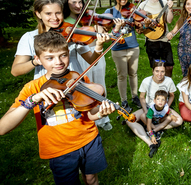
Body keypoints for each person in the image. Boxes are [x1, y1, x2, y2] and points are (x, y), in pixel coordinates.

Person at [0, 31, 116, 185]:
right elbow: (2, 128)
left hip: (89, 140)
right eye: (49, 58)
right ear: (38, 59)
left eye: (63, 55)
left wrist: (100, 113)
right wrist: (32, 100)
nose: (58, 62)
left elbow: (90, 114)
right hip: (59, 149)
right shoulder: (33, 88)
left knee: (91, 179)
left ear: (68, 53)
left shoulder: (79, 79)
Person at [11, 0, 109, 80]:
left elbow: (92, 61)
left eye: (58, 13)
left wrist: (99, 46)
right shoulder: (29, 37)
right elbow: (15, 71)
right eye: (48, 13)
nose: (55, 18)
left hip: (74, 82)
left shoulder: (72, 32)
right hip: (46, 85)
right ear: (38, 14)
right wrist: (36, 62)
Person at [61, 0, 113, 131]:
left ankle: (103, 117)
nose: (78, 6)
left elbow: (101, 31)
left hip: (90, 54)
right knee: (84, 93)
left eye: (80, 2)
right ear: (66, 4)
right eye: (74, 3)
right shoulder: (63, 24)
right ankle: (89, 120)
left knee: (99, 86)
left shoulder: (87, 17)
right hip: (77, 59)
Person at [126, 61, 183, 158]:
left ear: (165, 71)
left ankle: (151, 129)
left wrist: (167, 107)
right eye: (157, 71)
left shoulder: (169, 81)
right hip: (149, 107)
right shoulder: (146, 81)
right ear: (152, 71)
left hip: (163, 108)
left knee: (179, 121)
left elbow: (172, 96)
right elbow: (142, 97)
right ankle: (150, 141)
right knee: (129, 120)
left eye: (162, 71)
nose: (159, 74)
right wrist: (145, 110)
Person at [104, 0, 141, 109]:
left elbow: (140, 26)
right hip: (118, 49)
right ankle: (124, 100)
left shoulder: (132, 9)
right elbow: (107, 32)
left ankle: (135, 96)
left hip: (133, 46)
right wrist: (117, 27)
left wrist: (141, 22)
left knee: (133, 73)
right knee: (122, 75)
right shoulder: (109, 12)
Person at [138, 0, 175, 77]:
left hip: (165, 39)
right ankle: (157, 89)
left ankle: (167, 88)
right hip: (151, 40)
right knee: (156, 68)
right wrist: (145, 24)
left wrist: (170, 9)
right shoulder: (143, 5)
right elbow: (140, 28)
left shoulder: (165, 3)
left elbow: (169, 20)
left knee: (169, 66)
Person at [167, 0, 191, 77]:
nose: (190, 6)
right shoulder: (182, 19)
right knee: (185, 73)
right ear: (185, 6)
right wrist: (170, 34)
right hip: (182, 50)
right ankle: (186, 89)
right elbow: (174, 31)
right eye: (188, 4)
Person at [141, 90, 177, 154]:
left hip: (160, 121)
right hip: (152, 122)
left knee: (169, 118)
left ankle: (155, 131)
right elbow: (148, 124)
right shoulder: (151, 110)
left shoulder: (166, 107)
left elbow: (169, 112)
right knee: (143, 116)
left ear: (165, 102)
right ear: (154, 101)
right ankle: (157, 131)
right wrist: (152, 135)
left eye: (163, 100)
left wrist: (172, 115)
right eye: (158, 99)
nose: (160, 101)